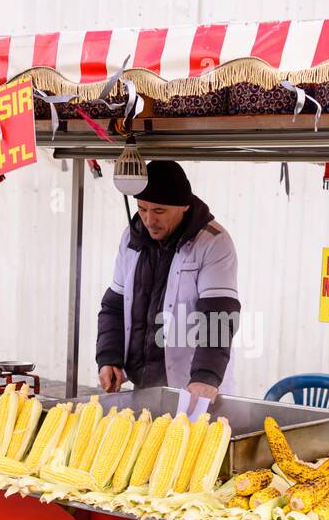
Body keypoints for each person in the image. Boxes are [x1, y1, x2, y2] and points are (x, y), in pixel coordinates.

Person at [96, 160, 240, 404]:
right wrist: (109, 357)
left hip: (192, 387)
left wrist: (206, 375)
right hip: (142, 386)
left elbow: (218, 315)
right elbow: (114, 306)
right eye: (142, 209)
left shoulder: (214, 242)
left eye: (159, 211)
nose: (149, 220)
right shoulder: (132, 237)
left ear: (183, 206)